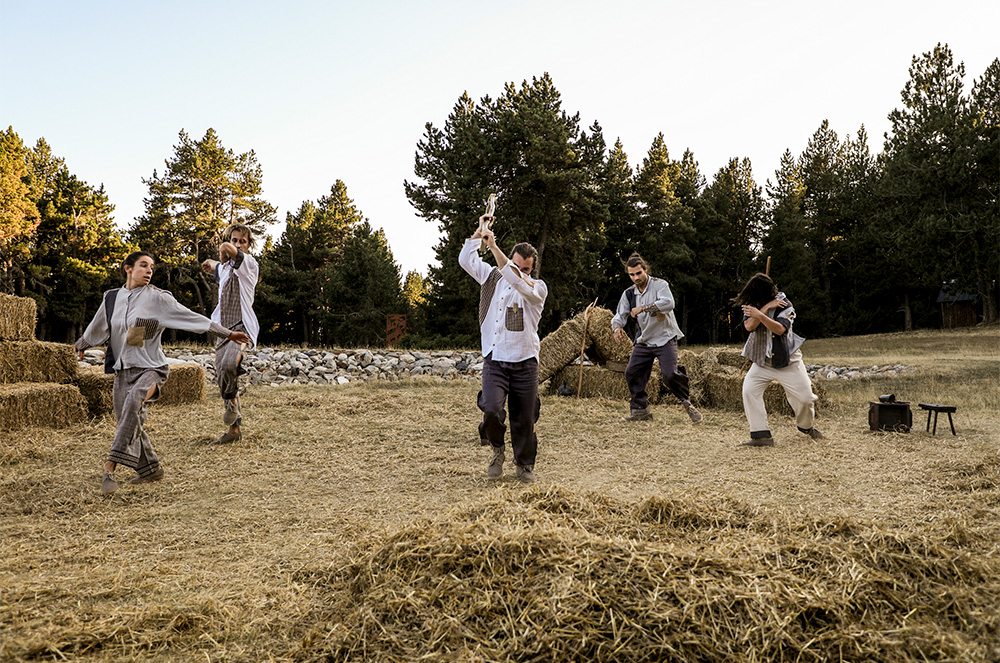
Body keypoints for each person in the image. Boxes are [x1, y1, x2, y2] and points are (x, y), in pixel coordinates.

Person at [74, 251, 250, 494]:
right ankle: (151, 469)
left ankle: (109, 468)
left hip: (151, 369)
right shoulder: (111, 298)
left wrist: (228, 334)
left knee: (135, 401)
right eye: (143, 266)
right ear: (127, 268)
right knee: (128, 420)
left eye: (152, 267)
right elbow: (97, 327)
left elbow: (191, 318)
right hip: (122, 371)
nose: (149, 271)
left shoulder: (158, 298)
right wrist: (81, 345)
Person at [459, 215, 548, 482]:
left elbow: (517, 280)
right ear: (511, 259)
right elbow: (466, 261)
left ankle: (524, 465)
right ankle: (497, 451)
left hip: (525, 362)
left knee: (525, 417)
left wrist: (495, 247)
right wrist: (480, 233)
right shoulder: (491, 276)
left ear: (531, 270)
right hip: (495, 360)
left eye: (526, 268)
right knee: (491, 410)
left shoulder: (536, 289)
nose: (521, 271)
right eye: (517, 265)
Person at [733, 272, 824, 447]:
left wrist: (760, 315)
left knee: (805, 398)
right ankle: (761, 436)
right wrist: (764, 309)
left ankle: (807, 427)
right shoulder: (754, 304)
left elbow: (780, 329)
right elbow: (749, 326)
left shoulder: (785, 305)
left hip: (788, 362)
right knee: (749, 391)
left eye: (758, 299)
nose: (754, 303)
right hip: (762, 361)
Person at [612, 253, 702, 423]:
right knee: (632, 372)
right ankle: (640, 411)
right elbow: (620, 314)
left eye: (639, 273)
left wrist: (643, 308)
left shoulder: (660, 285)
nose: (636, 278)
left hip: (665, 338)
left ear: (645, 270)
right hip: (645, 340)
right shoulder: (629, 294)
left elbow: (669, 303)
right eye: (632, 275)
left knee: (669, 375)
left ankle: (686, 401)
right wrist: (617, 328)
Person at [201, 223, 260, 444]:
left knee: (228, 365)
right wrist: (214, 264)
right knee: (222, 372)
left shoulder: (250, 265)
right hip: (223, 329)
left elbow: (227, 248)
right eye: (234, 240)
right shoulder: (224, 269)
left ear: (249, 245)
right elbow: (220, 268)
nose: (237, 244)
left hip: (241, 325)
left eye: (241, 241)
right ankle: (234, 429)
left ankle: (238, 371)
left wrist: (223, 250)